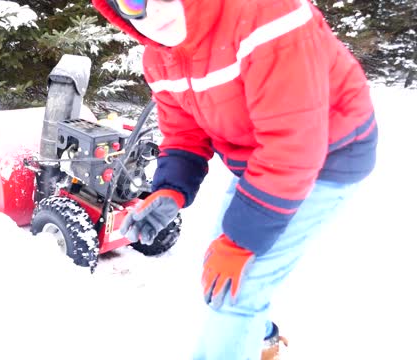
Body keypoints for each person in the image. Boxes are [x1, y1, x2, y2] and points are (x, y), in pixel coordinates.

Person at [92, 0, 378, 359]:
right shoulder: (160, 56)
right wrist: (169, 190)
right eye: (134, 1)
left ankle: (244, 327)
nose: (155, 13)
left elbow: (293, 143)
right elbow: (184, 133)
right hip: (261, 158)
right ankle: (257, 334)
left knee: (235, 288)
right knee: (221, 274)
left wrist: (242, 241)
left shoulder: (269, 17)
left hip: (328, 155)